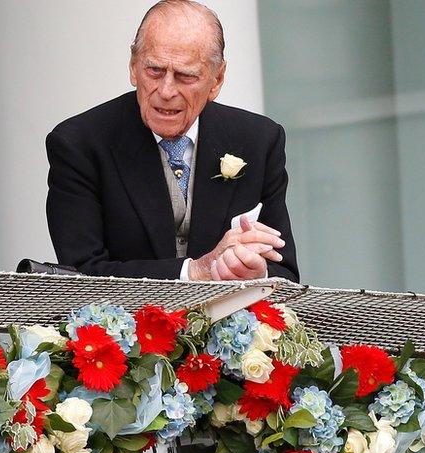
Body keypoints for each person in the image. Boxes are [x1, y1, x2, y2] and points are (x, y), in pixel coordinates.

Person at [46, 0, 298, 282]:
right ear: (133, 67)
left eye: (185, 76)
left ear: (217, 79)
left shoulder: (259, 140)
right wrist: (194, 271)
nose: (166, 91)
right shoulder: (78, 144)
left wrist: (257, 271)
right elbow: (81, 274)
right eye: (154, 70)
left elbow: (284, 273)